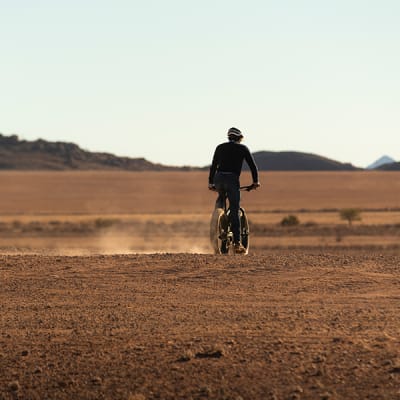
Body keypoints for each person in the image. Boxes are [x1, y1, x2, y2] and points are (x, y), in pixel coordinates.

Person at [208, 127, 260, 254]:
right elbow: (253, 166)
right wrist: (255, 182)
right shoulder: (242, 148)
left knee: (221, 197)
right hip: (232, 179)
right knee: (235, 208)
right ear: (239, 138)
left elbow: (214, 165)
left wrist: (211, 182)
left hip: (218, 178)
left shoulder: (220, 147)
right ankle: (237, 243)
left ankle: (218, 218)